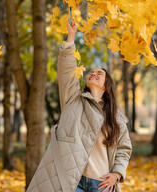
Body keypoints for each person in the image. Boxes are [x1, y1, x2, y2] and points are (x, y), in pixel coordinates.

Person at [26, 18, 132, 192]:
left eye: (99, 73)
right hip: (72, 182)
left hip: (102, 183)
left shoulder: (116, 117)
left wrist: (117, 174)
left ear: (107, 86)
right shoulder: (73, 100)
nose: (93, 74)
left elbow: (124, 148)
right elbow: (67, 72)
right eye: (91, 72)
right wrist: (71, 37)